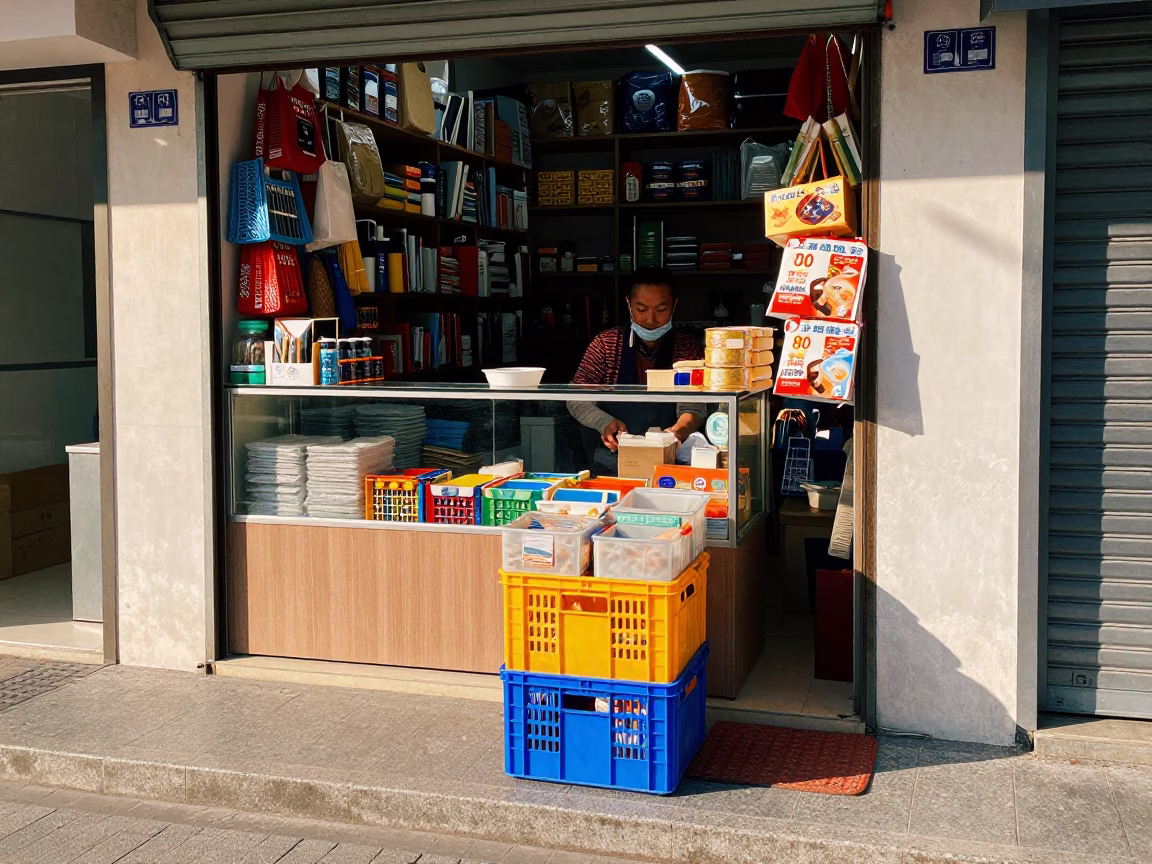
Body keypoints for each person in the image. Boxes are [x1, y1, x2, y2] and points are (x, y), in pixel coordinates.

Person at [567, 268, 705, 475]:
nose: (650, 319)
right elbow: (576, 397)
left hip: (670, 457)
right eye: (641, 309)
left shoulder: (687, 348)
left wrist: (676, 433)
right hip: (613, 458)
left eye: (661, 309)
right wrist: (604, 423)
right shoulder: (606, 344)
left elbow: (694, 406)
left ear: (674, 305)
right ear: (628, 304)